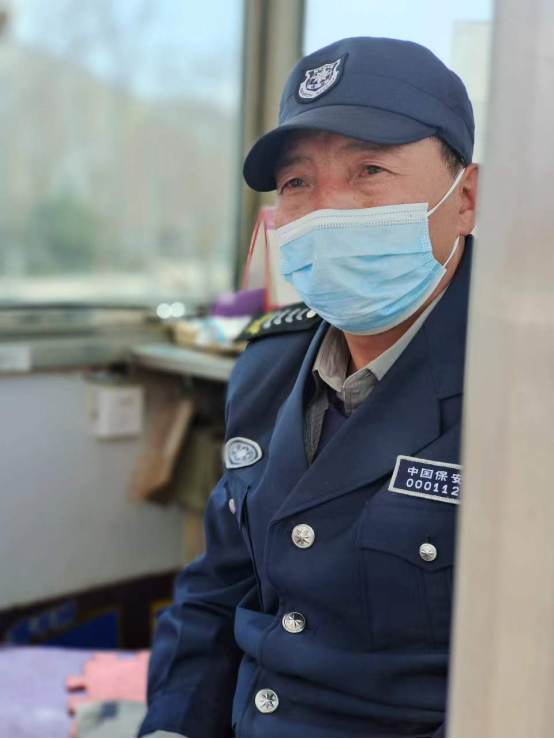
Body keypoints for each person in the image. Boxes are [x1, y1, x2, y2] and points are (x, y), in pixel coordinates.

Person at [140, 36, 478, 739]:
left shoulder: (516, 387)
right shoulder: (268, 367)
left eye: (369, 169)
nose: (328, 210)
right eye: (297, 183)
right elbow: (217, 590)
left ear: (466, 197)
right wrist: (173, 725)